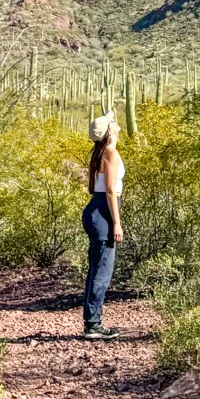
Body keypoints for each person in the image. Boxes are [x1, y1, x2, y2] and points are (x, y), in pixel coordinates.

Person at [82, 110, 124, 340]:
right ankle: (93, 324)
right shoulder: (110, 152)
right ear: (109, 132)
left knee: (96, 268)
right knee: (102, 271)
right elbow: (110, 190)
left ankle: (92, 321)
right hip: (103, 211)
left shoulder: (99, 151)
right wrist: (116, 222)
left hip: (94, 209)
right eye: (112, 124)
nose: (116, 125)